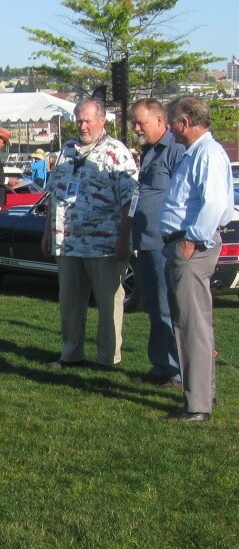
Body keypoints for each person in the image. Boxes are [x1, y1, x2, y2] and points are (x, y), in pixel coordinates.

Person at [41, 98, 138, 370]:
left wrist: (124, 239)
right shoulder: (67, 150)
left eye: (87, 121)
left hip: (104, 245)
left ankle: (108, 359)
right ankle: (71, 354)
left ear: (102, 121)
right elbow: (54, 195)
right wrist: (48, 232)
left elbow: (130, 200)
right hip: (67, 243)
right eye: (79, 120)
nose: (82, 126)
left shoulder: (116, 152)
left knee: (108, 304)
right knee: (70, 302)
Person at [160, 95, 234, 422]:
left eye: (172, 123)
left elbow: (215, 203)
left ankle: (197, 404)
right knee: (193, 324)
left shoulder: (207, 153)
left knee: (191, 327)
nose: (170, 129)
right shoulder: (198, 153)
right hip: (185, 244)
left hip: (191, 247)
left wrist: (190, 241)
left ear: (186, 122)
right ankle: (203, 395)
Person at [129, 98, 184, 388]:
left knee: (167, 307)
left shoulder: (176, 150)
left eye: (141, 123)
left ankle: (176, 370)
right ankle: (161, 365)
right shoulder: (148, 150)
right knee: (153, 305)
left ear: (160, 120)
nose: (136, 128)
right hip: (146, 241)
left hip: (164, 243)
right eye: (134, 123)